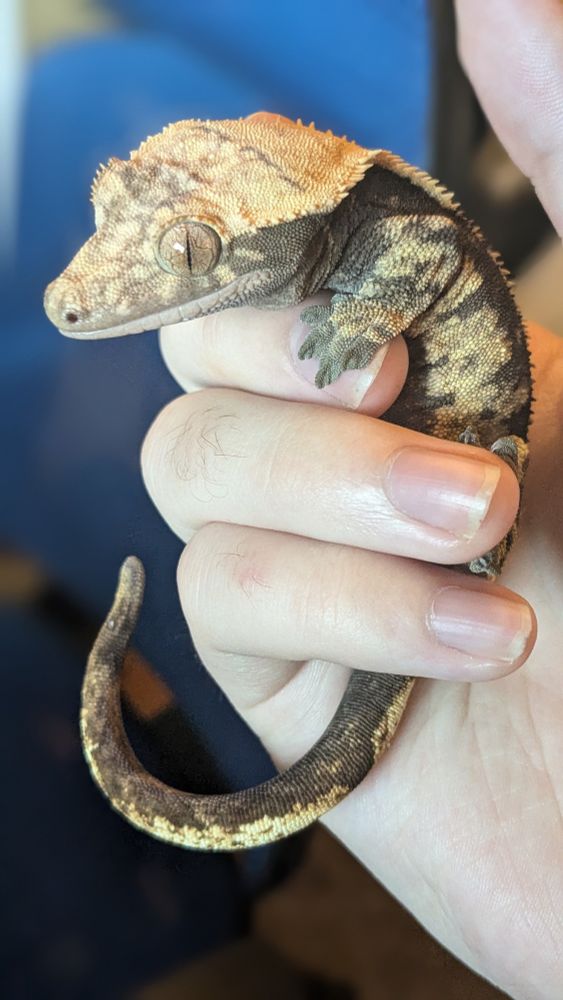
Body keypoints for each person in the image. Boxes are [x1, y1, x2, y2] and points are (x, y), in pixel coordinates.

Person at [140, 1, 563, 995]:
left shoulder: (371, 226)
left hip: (484, 486)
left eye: (191, 252)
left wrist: (360, 311)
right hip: (478, 604)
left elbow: (418, 253)